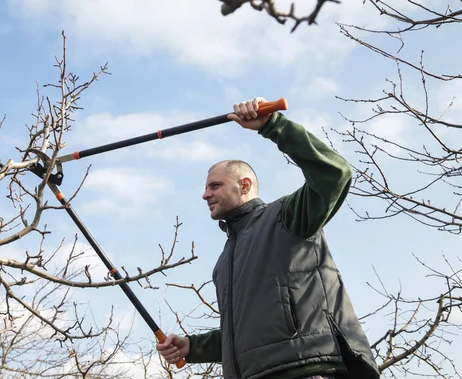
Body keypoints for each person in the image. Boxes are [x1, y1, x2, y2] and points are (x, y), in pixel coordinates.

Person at [156, 98, 380, 379]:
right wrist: (193, 346)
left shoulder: (286, 217)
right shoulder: (224, 263)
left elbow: (336, 173)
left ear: (244, 185)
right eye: (205, 188)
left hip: (307, 370)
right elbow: (248, 334)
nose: (206, 194)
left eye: (215, 185)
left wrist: (273, 125)